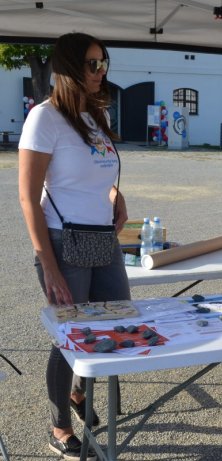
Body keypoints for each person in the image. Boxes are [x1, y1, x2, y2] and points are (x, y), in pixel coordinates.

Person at [18, 33, 129, 461]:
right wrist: (48, 264)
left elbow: (101, 174)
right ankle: (59, 424)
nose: (100, 71)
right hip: (64, 241)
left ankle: (81, 395)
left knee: (116, 325)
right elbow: (28, 196)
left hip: (103, 237)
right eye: (91, 64)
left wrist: (118, 195)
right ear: (67, 67)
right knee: (70, 337)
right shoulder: (44, 118)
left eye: (103, 63)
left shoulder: (94, 114)